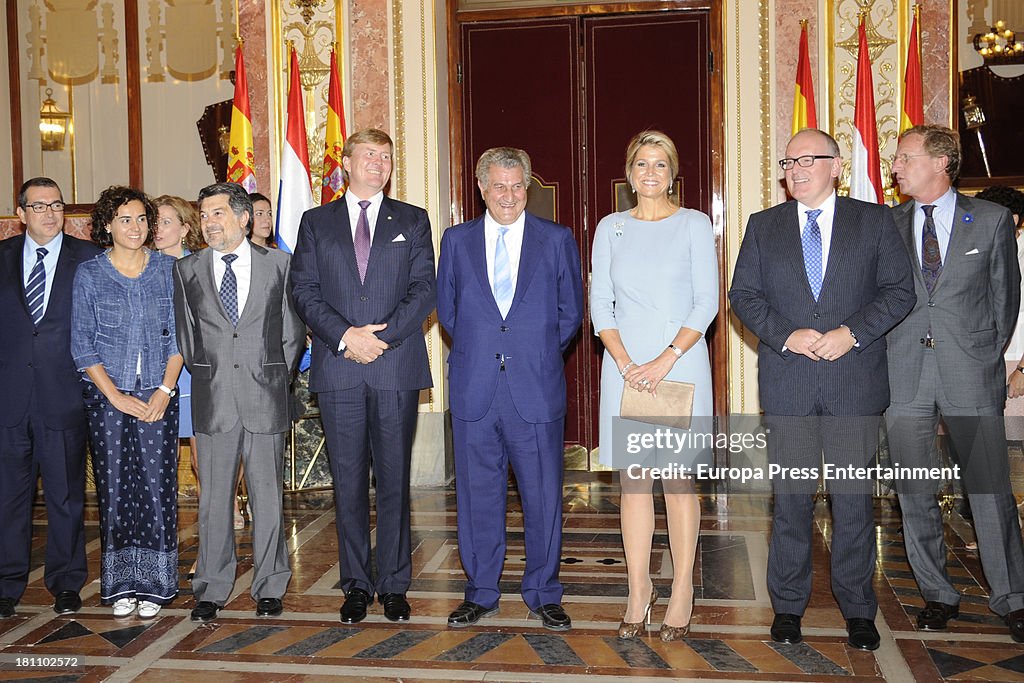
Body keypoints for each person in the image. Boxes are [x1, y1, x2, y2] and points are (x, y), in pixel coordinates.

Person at [729, 128, 916, 650]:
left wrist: (851, 333)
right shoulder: (763, 226)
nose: (796, 169)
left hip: (853, 383)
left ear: (837, 166)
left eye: (808, 159)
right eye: (788, 161)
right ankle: (788, 607)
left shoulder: (874, 221)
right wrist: (785, 334)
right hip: (789, 385)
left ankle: (858, 609)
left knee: (853, 501)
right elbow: (743, 294)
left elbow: (899, 291)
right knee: (790, 501)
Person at [885, 124, 1024, 643]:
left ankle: (1012, 597)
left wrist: (984, 359)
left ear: (941, 162)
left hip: (970, 374)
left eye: (905, 157)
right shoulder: (887, 223)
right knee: (914, 491)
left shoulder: (988, 221)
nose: (895, 166)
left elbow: (1004, 303)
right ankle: (938, 595)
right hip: (904, 378)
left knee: (989, 489)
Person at [291, 128, 436, 624]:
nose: (378, 163)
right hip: (339, 367)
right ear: (347, 163)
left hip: (395, 367)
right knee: (348, 483)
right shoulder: (316, 222)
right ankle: (355, 584)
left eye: (386, 156)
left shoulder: (412, 220)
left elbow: (423, 289)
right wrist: (346, 336)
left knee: (395, 481)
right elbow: (304, 290)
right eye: (368, 155)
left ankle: (394, 584)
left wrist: (382, 338)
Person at [437, 147, 583, 631]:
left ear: (528, 188)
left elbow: (570, 315)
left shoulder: (556, 239)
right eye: (498, 186)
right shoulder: (456, 241)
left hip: (535, 390)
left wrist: (533, 354)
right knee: (478, 497)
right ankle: (480, 591)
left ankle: (543, 592)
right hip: (476, 387)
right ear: (481, 188)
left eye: (517, 186)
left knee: (543, 496)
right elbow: (450, 313)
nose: (508, 195)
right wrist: (489, 352)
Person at [590, 131, 717, 640]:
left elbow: (706, 302)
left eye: (660, 164)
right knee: (635, 483)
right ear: (629, 172)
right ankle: (639, 588)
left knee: (679, 484)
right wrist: (624, 361)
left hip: (679, 366)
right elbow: (601, 302)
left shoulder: (694, 224)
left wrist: (664, 359)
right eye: (641, 163)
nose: (650, 173)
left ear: (673, 173)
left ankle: (682, 586)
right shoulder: (610, 228)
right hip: (624, 370)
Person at [174, 182, 304, 622]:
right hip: (214, 400)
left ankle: (269, 585)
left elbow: (292, 333)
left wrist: (274, 379)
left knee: (268, 496)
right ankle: (211, 586)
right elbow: (189, 338)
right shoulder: (187, 270)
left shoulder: (280, 265)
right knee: (214, 499)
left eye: (217, 214)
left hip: (265, 396)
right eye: (204, 215)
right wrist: (210, 374)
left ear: (244, 218)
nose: (209, 223)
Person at [71, 186, 184, 619]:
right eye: (124, 220)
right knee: (115, 488)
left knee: (158, 487)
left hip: (158, 394)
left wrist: (164, 390)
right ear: (106, 226)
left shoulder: (169, 270)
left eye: (141, 219)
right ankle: (121, 584)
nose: (135, 228)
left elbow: (180, 339)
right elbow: (82, 343)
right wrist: (114, 395)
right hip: (107, 398)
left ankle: (156, 583)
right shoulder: (90, 274)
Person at [0, 178, 101, 619]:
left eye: (56, 205)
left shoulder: (90, 259)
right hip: (8, 399)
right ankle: (6, 584)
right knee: (8, 498)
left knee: (65, 497)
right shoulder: (0, 258)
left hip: (64, 397)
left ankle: (65, 583)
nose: (49, 213)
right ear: (20, 214)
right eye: (38, 206)